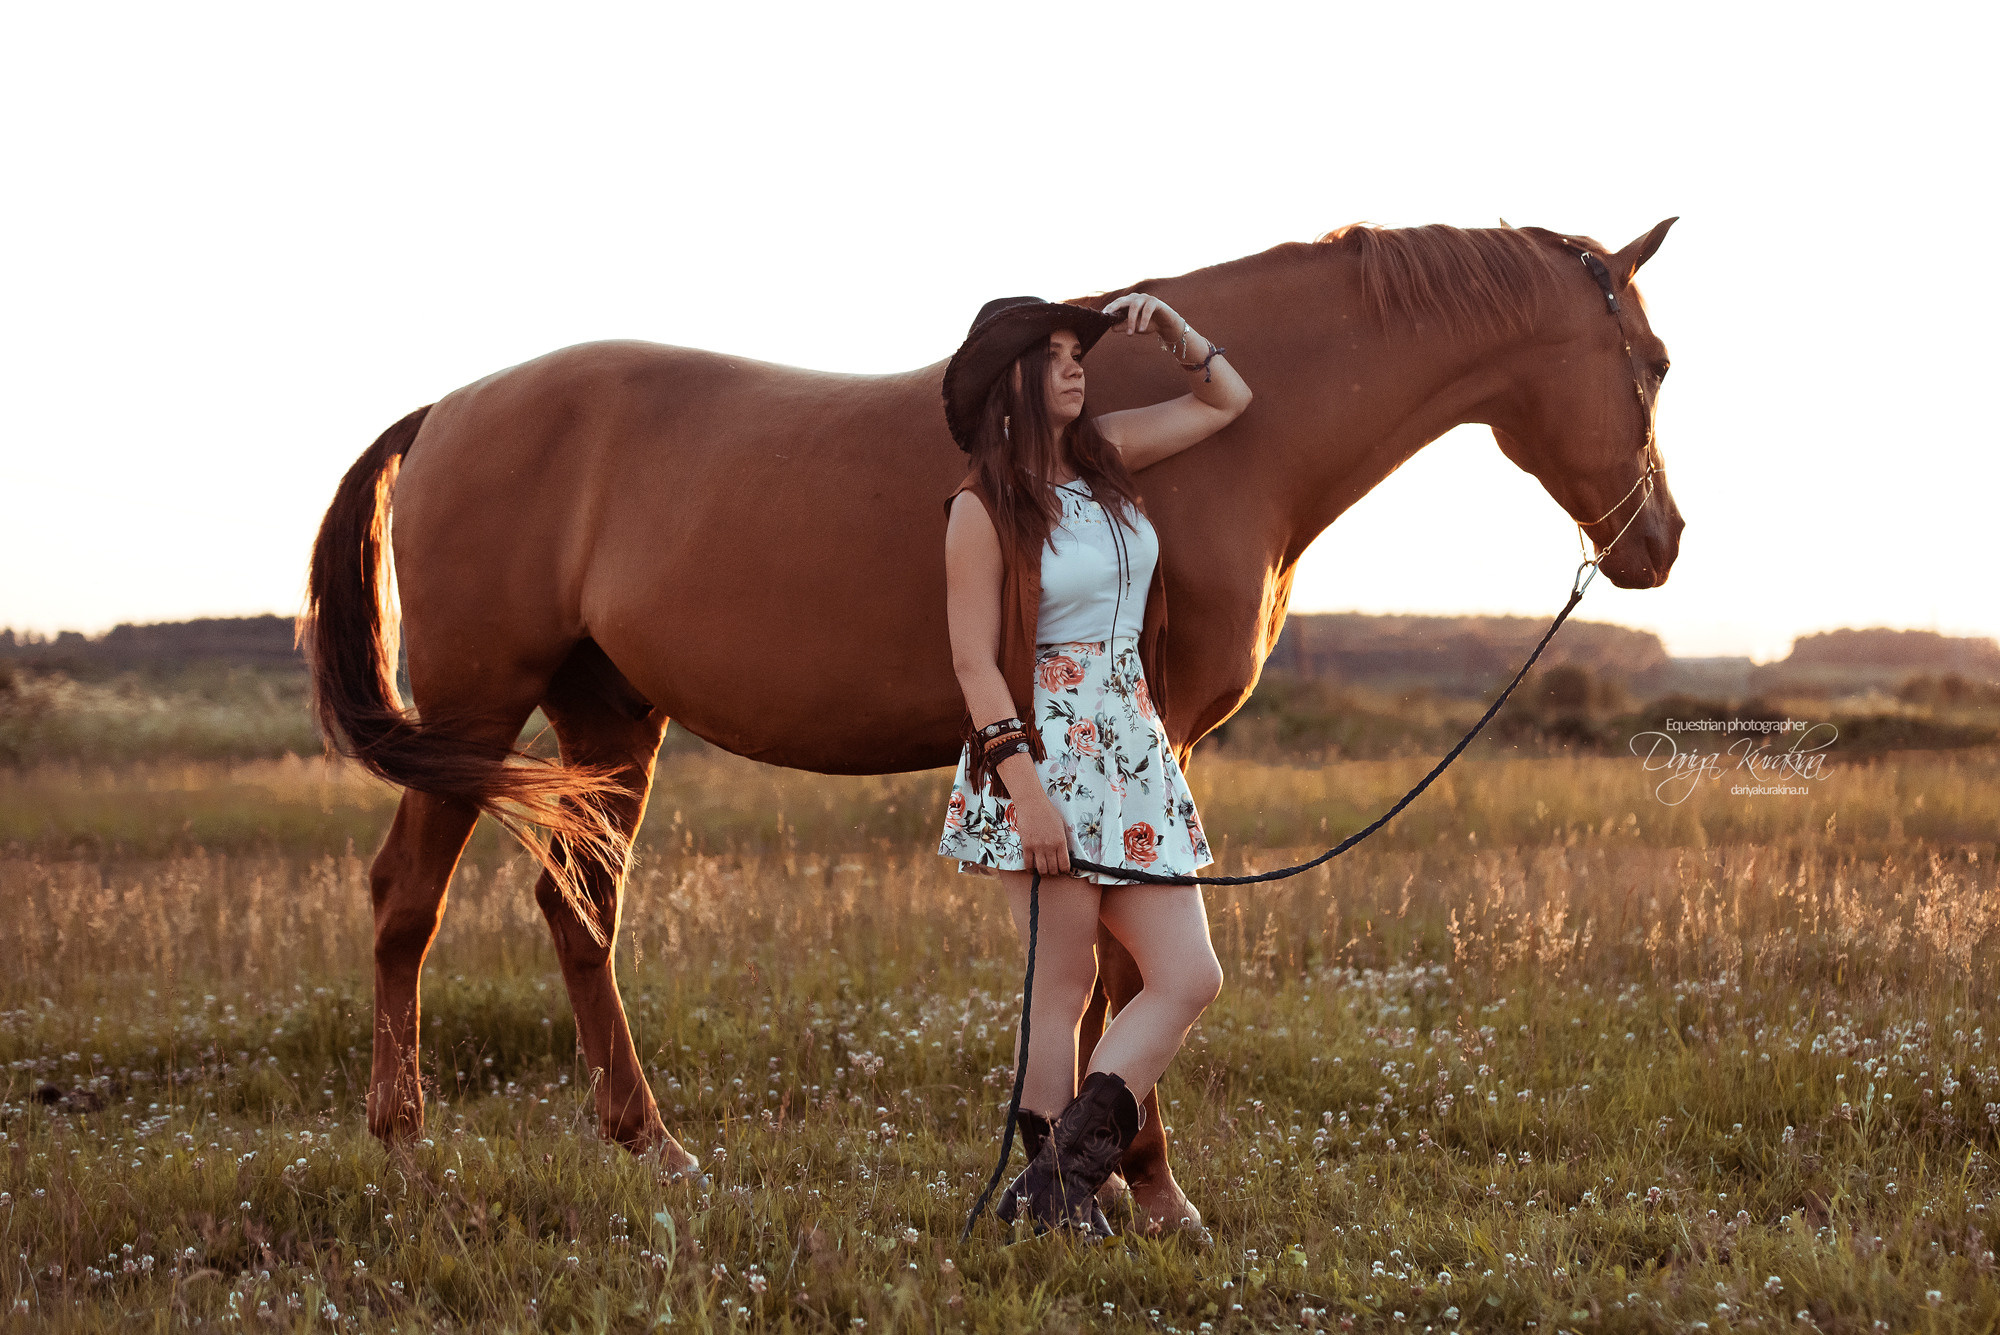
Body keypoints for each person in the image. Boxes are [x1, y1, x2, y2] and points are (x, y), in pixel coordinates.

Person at [935, 291, 1253, 1235]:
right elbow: (973, 662)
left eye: (1080, 351)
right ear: (1011, 380)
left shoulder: (1106, 454)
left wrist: (1178, 334)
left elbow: (1226, 400)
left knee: (1189, 974)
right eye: (1057, 354)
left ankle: (1054, 1182)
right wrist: (1026, 794)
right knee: (1064, 987)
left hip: (1131, 747)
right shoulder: (981, 507)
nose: (1077, 366)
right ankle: (1058, 1196)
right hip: (1044, 754)